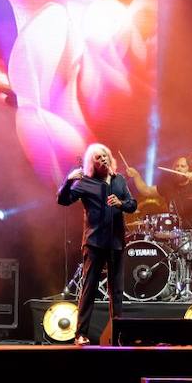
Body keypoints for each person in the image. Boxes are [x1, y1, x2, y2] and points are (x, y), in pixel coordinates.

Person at [57, 143, 138, 345]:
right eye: (97, 157)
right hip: (94, 242)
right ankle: (80, 334)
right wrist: (68, 181)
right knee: (89, 288)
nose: (102, 159)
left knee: (116, 290)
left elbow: (132, 204)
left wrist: (121, 203)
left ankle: (117, 334)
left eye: (104, 156)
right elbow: (63, 200)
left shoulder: (119, 181)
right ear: (91, 163)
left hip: (116, 242)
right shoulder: (85, 182)